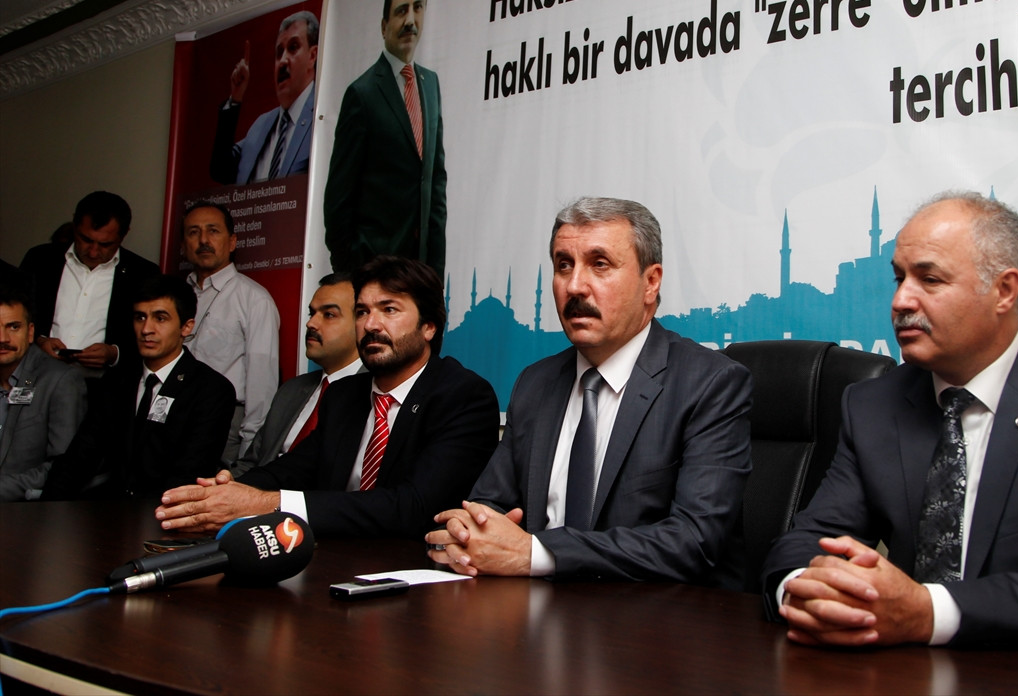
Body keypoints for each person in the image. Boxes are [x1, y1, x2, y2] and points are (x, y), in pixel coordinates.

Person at [762, 192, 1018, 692]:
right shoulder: (872, 404)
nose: (901, 301)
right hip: (910, 678)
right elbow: (805, 544)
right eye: (899, 278)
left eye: (929, 280)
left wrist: (927, 611)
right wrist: (806, 592)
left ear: (1003, 290)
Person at [426, 197, 752, 588]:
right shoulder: (536, 382)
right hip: (534, 609)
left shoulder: (710, 383)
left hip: (657, 614)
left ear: (651, 282)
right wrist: (466, 535)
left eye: (600, 264)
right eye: (564, 265)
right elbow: (489, 505)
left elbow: (693, 541)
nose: (575, 286)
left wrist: (536, 554)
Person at [154, 256, 499, 539]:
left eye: (389, 310)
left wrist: (265, 503)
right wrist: (223, 495)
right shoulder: (345, 395)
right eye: (362, 312)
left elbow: (413, 508)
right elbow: (292, 470)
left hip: (414, 574)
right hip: (331, 559)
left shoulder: (463, 396)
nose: (371, 325)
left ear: (428, 327)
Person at [42, 275, 235, 499]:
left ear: (186, 326)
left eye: (160, 318)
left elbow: (189, 474)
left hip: (166, 511)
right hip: (107, 508)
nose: (146, 329)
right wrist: (47, 509)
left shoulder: (211, 390)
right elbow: (79, 456)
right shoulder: (116, 381)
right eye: (140, 317)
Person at [324, 0, 447, 279]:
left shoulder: (430, 84)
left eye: (418, 8)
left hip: (420, 272)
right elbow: (338, 199)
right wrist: (352, 273)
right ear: (384, 25)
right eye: (401, 10)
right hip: (373, 270)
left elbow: (434, 183)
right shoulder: (362, 93)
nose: (410, 20)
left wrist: (435, 275)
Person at [230, 271, 363, 475]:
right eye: (312, 313)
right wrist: (224, 486)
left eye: (329, 315)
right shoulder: (291, 390)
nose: (311, 323)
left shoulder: (373, 395)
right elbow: (252, 463)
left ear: (362, 323)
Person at [181, 201, 280, 467]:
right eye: (193, 232)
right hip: (173, 413)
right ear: (183, 244)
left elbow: (262, 382)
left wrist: (250, 450)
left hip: (225, 422)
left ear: (232, 241)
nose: (203, 240)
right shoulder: (175, 295)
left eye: (213, 231)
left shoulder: (254, 299)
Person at [20, 191, 159, 372]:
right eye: (85, 239)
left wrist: (114, 353)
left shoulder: (143, 274)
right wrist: (39, 341)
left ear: (124, 234)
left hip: (107, 383)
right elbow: (15, 315)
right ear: (74, 225)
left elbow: (154, 337)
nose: (93, 252)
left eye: (105, 244)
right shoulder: (40, 259)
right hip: (38, 374)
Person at [209, 11, 319, 185]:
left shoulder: (321, 117)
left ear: (312, 56)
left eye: (293, 47)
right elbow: (220, 170)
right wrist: (235, 98)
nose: (282, 61)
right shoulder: (261, 124)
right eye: (279, 52)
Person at [0, 282, 86, 500]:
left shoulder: (61, 380)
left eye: (13, 327)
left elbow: (64, 467)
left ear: (30, 332)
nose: (3, 338)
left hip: (24, 509)